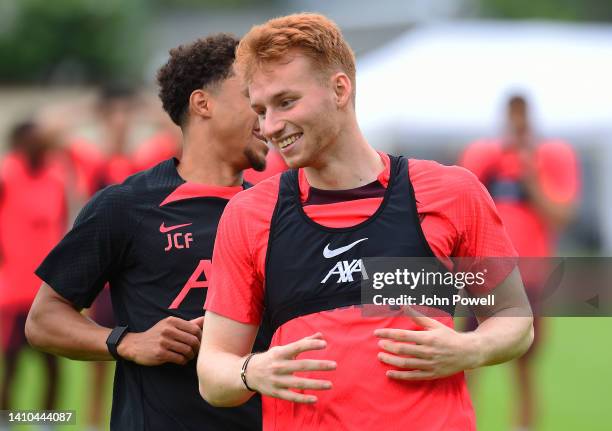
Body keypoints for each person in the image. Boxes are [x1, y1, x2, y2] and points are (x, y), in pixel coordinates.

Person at [197, 13, 534, 431]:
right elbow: (212, 372)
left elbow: (513, 316)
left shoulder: (451, 191)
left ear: (339, 89)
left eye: (286, 102)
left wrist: (471, 349)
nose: (270, 126)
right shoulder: (249, 214)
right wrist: (251, 372)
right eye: (260, 110)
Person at [25, 34, 269, 431]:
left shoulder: (275, 211)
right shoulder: (125, 205)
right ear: (202, 103)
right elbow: (44, 320)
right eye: (250, 95)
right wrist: (126, 342)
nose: (265, 110)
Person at [460, 94, 579, 431]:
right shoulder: (482, 156)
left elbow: (561, 215)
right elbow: (463, 207)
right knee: (466, 361)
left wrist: (531, 178)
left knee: (524, 367)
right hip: (483, 275)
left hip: (529, 277)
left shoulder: (552, 157)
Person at [0, 120, 65, 419]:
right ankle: (7, 421)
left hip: (47, 291)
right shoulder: (6, 176)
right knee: (11, 365)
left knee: (53, 366)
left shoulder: (55, 175)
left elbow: (61, 225)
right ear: (19, 143)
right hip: (13, 292)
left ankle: (46, 422)